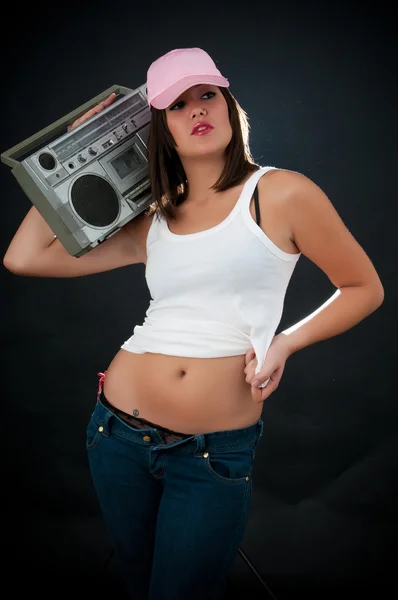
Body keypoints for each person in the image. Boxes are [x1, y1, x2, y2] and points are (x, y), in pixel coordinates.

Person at [3, 47, 384, 600]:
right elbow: (23, 257)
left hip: (212, 452)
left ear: (228, 104)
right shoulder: (154, 218)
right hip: (116, 437)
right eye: (176, 105)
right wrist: (72, 153)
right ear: (158, 127)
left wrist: (285, 343)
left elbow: (364, 287)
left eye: (207, 95)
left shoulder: (282, 194)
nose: (196, 110)